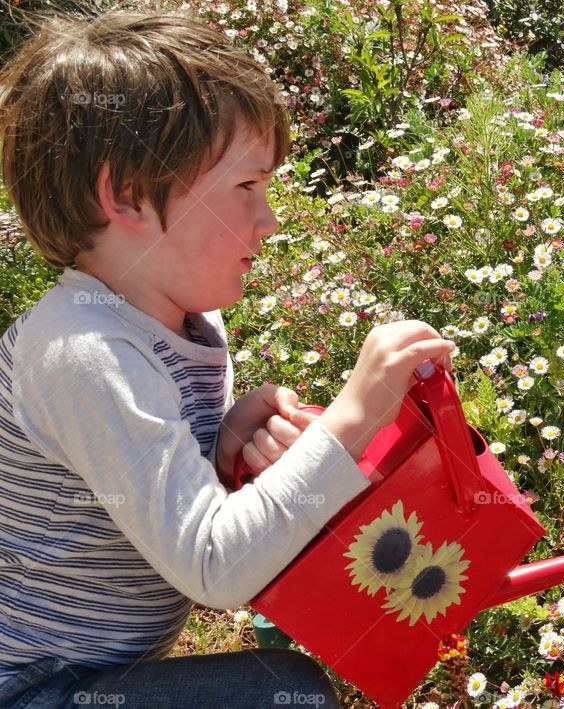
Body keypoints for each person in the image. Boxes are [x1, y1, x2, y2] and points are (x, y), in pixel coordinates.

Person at [0, 11, 454, 708]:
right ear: (123, 194)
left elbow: (152, 497)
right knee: (278, 697)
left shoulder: (180, 323)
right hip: (30, 686)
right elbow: (213, 566)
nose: (268, 218)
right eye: (246, 187)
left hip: (81, 677)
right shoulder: (82, 353)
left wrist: (216, 448)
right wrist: (356, 415)